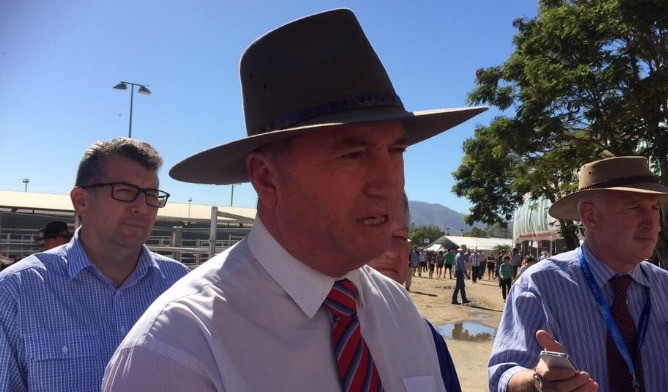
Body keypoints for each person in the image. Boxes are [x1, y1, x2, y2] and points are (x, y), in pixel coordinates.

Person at [102, 9, 485, 392]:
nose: (388, 185)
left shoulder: (400, 314)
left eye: (396, 150)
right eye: (352, 155)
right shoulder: (175, 352)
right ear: (266, 178)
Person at [488, 156, 668, 392]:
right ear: (590, 216)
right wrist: (536, 383)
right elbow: (503, 374)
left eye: (654, 208)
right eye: (634, 207)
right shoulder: (540, 286)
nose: (651, 222)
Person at [0, 137, 190, 392]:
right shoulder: (17, 292)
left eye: (152, 195)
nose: (142, 207)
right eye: (124, 191)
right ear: (81, 201)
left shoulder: (180, 286)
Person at [366, 193, 461, 391]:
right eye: (372, 231)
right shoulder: (298, 339)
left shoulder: (426, 337)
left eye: (400, 237)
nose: (390, 251)